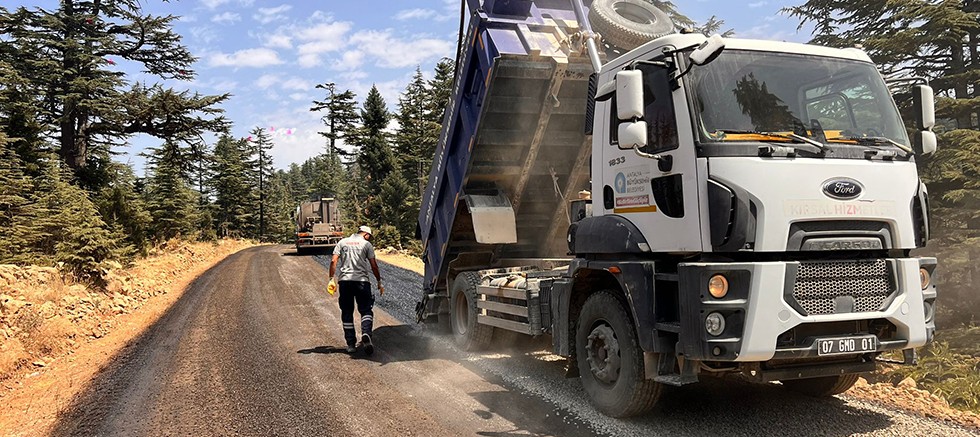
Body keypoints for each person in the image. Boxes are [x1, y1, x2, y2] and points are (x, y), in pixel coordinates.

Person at [328, 225, 384, 355]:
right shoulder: (366, 244)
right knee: (366, 310)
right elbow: (374, 265)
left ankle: (351, 344)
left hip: (345, 282)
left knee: (347, 311)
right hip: (362, 282)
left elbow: (333, 261)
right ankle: (366, 333)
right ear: (366, 234)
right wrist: (379, 281)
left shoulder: (342, 242)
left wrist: (331, 278)